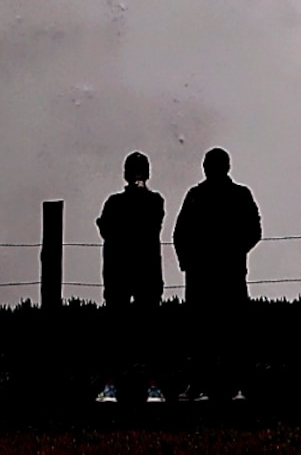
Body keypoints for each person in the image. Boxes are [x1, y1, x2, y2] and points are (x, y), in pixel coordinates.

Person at [173, 147, 262, 403]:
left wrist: (190, 263)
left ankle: (211, 386)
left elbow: (180, 234)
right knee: (224, 334)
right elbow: (253, 230)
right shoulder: (235, 195)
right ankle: (230, 387)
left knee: (213, 335)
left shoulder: (199, 196)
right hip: (222, 274)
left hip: (211, 275)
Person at [94, 152, 165, 404]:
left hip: (119, 274)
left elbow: (105, 228)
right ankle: (151, 387)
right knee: (149, 332)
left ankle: (113, 386)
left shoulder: (114, 204)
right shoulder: (155, 201)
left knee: (116, 332)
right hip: (145, 273)